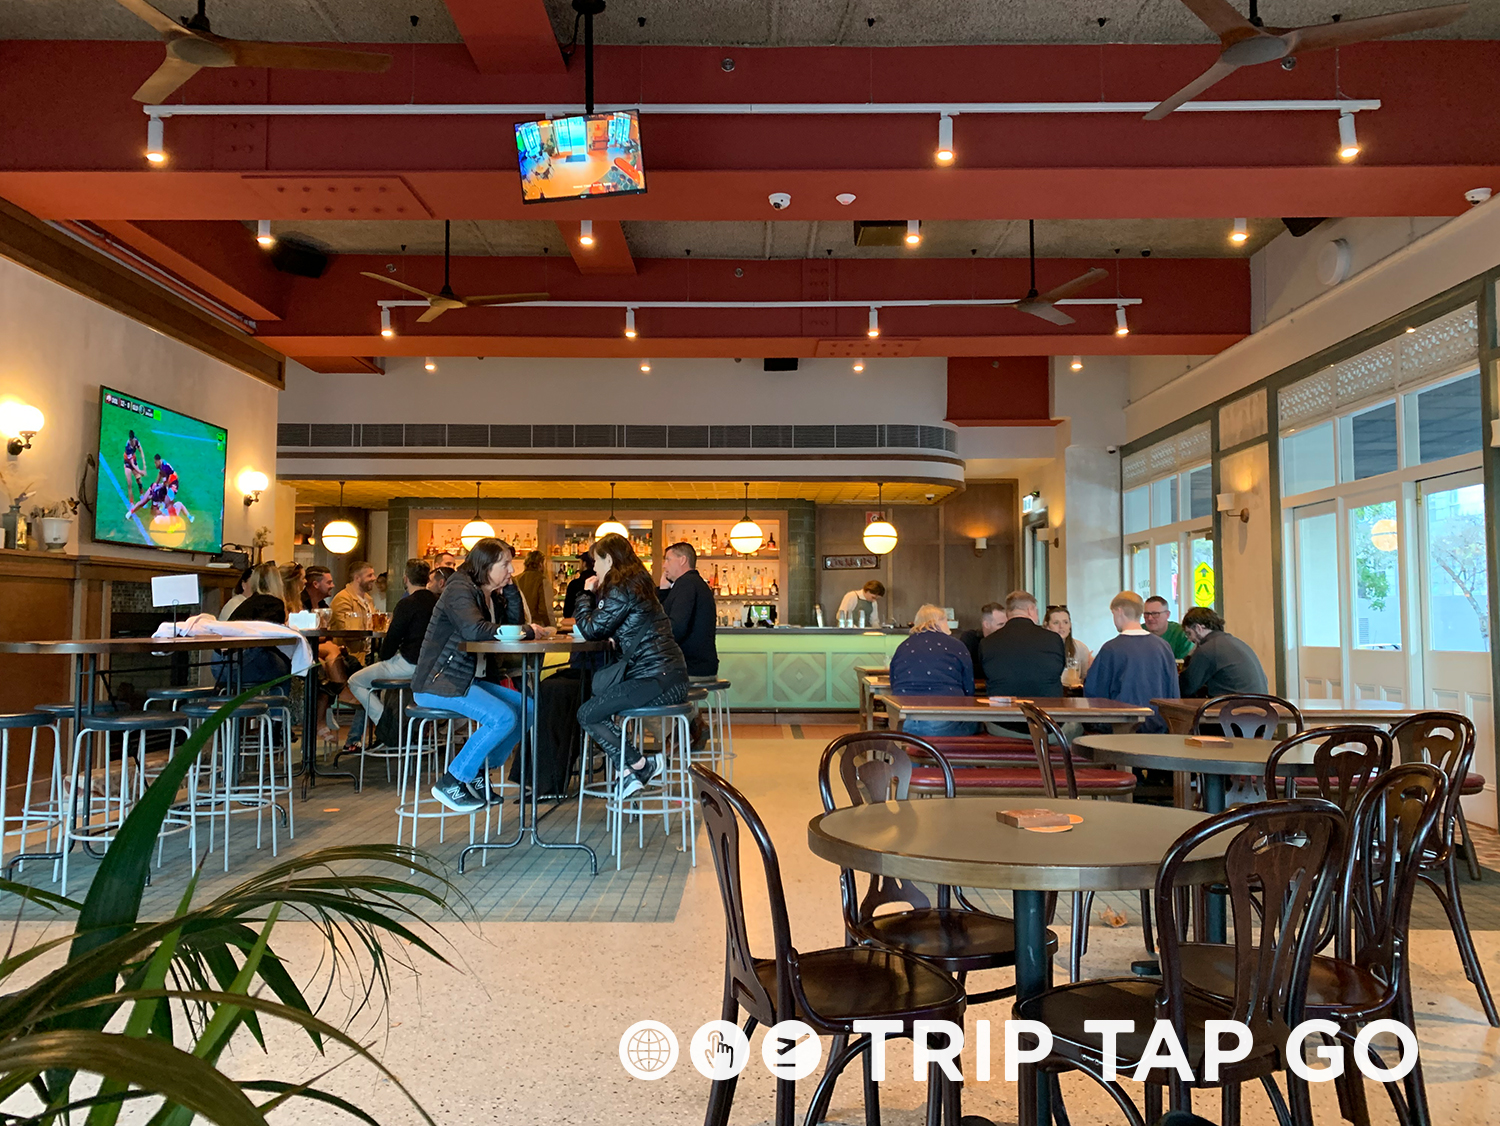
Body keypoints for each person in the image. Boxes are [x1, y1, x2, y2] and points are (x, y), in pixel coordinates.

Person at [414, 538, 547, 813]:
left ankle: (478, 771)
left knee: (528, 708)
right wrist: (527, 631)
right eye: (505, 565)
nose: (512, 570)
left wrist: (511, 590)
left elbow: (510, 629)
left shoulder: (489, 593)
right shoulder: (459, 588)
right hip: (438, 682)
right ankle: (452, 781)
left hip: (466, 680)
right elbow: (473, 630)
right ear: (486, 566)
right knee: (503, 717)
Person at [573, 532, 689, 799]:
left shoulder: (620, 589)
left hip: (656, 678)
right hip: (667, 675)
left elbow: (591, 629)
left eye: (596, 561)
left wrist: (585, 595)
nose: (594, 567)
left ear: (609, 560)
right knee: (597, 709)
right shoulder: (636, 585)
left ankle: (640, 764)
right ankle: (631, 771)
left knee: (588, 713)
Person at [347, 559, 438, 749]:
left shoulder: (407, 604)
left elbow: (393, 639)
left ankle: (386, 724)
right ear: (428, 579)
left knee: (355, 681)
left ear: (406, 579)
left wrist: (383, 656)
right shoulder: (438, 603)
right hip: (433, 668)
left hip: (409, 664)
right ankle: (403, 729)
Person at [1084, 591, 1179, 733]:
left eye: (1113, 614)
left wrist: (1089, 670)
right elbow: (1173, 691)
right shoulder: (1163, 647)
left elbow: (1095, 693)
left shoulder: (1111, 648)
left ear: (1119, 611)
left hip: (1122, 726)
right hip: (1159, 725)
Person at [889, 604, 978, 736]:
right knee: (979, 724)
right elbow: (969, 688)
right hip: (944, 722)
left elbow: (893, 682)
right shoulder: (956, 646)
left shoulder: (903, 646)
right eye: (946, 620)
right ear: (939, 621)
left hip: (903, 723)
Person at [979, 590, 1066, 699]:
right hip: (1047, 706)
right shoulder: (1053, 639)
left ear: (1007, 613)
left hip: (1003, 707)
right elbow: (1060, 669)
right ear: (1030, 610)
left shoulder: (987, 643)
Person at [225, 563, 291, 690]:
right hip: (243, 665)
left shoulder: (246, 603)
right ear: (278, 583)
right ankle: (277, 702)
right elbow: (271, 638)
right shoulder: (274, 604)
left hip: (221, 666)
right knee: (291, 668)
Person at [658, 541, 719, 678]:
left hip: (689, 667)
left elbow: (676, 627)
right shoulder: (695, 583)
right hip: (701, 665)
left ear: (682, 560)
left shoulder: (686, 584)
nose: (664, 565)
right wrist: (663, 590)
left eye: (668, 559)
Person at [1179, 606, 1268, 697]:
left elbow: (1186, 688)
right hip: (1262, 703)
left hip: (1234, 704)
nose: (1189, 639)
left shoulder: (1207, 649)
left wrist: (1190, 656)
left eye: (1189, 633)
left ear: (1199, 628)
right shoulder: (1235, 642)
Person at [1044, 605, 1093, 687]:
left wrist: (1092, 669)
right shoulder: (1041, 648)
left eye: (1065, 622)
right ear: (1047, 626)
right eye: (1056, 623)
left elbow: (1086, 679)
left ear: (1070, 625)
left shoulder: (1080, 648)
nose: (1061, 626)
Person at [329, 560, 376, 633]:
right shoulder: (343, 598)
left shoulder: (368, 599)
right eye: (369, 575)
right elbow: (348, 630)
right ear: (357, 578)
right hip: (350, 640)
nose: (374, 578)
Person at [957, 602, 1006, 672]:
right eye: (1000, 624)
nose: (1005, 628)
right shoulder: (970, 639)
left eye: (1006, 624)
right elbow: (965, 666)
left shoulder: (1008, 641)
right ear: (986, 624)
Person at [513, 549, 554, 627]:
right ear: (541, 564)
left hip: (520, 626)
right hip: (538, 626)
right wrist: (552, 627)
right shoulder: (542, 581)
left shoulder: (516, 579)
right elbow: (545, 610)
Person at [1144, 596, 1194, 660]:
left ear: (1167, 615)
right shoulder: (1138, 632)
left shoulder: (1181, 633)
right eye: (1146, 614)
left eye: (1155, 614)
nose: (1150, 618)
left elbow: (1184, 663)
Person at [559, 550, 594, 626]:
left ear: (584, 564)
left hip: (577, 625)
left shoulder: (574, 584)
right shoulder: (602, 583)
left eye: (580, 562)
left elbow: (567, 612)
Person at [122, 430, 145, 502]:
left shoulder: (136, 440)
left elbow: (141, 450)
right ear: (130, 439)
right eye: (131, 440)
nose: (132, 442)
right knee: (129, 483)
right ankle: (131, 503)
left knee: (139, 480)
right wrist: (141, 472)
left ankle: (142, 496)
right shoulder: (128, 447)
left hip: (133, 459)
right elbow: (132, 464)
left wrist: (144, 464)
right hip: (128, 463)